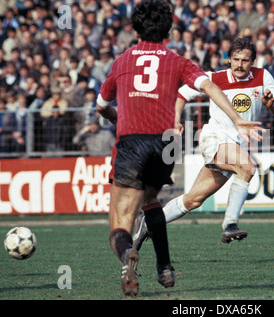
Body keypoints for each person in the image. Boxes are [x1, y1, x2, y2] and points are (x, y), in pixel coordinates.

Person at [96, 0, 264, 298]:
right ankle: (165, 267)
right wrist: (238, 119)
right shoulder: (177, 60)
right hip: (165, 144)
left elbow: (101, 105)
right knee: (152, 201)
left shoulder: (122, 60)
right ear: (168, 31)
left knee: (119, 225)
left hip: (131, 143)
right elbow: (210, 87)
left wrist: (119, 118)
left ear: (135, 30)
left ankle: (127, 257)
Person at [132, 37, 274, 250]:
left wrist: (271, 105)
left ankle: (147, 224)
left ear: (253, 61)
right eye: (235, 59)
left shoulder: (263, 77)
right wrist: (175, 120)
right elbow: (181, 93)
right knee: (248, 166)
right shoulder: (214, 78)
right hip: (214, 139)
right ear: (228, 60)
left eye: (245, 60)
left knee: (193, 201)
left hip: (236, 147)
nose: (239, 65)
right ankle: (230, 223)